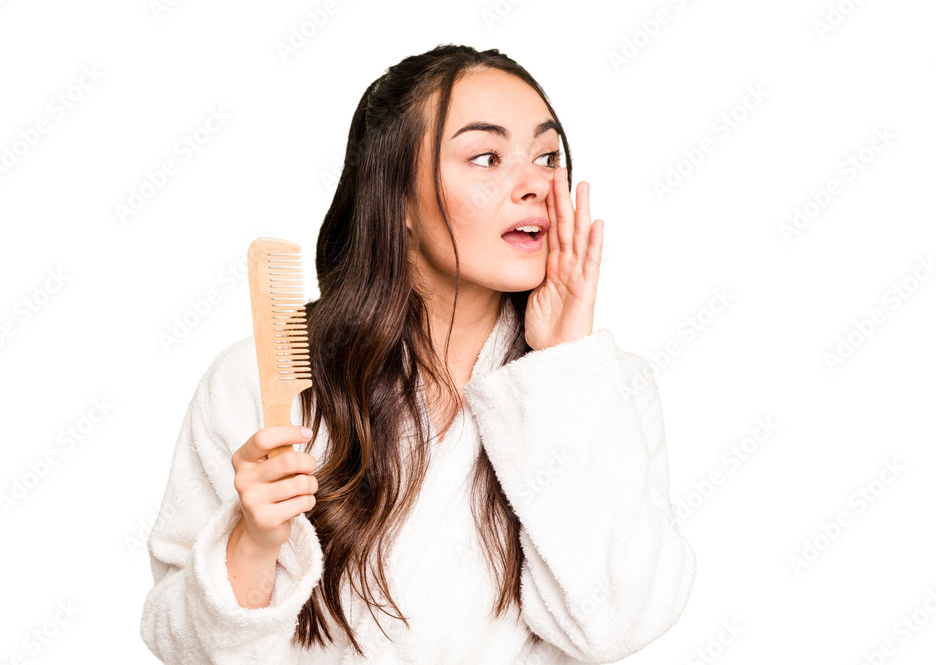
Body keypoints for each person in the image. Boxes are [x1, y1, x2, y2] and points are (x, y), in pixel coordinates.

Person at [140, 43, 696, 664]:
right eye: (486, 157)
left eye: (547, 156)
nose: (537, 183)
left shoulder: (602, 389)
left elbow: (616, 625)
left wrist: (562, 368)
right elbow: (182, 647)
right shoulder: (259, 382)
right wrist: (252, 543)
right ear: (399, 197)